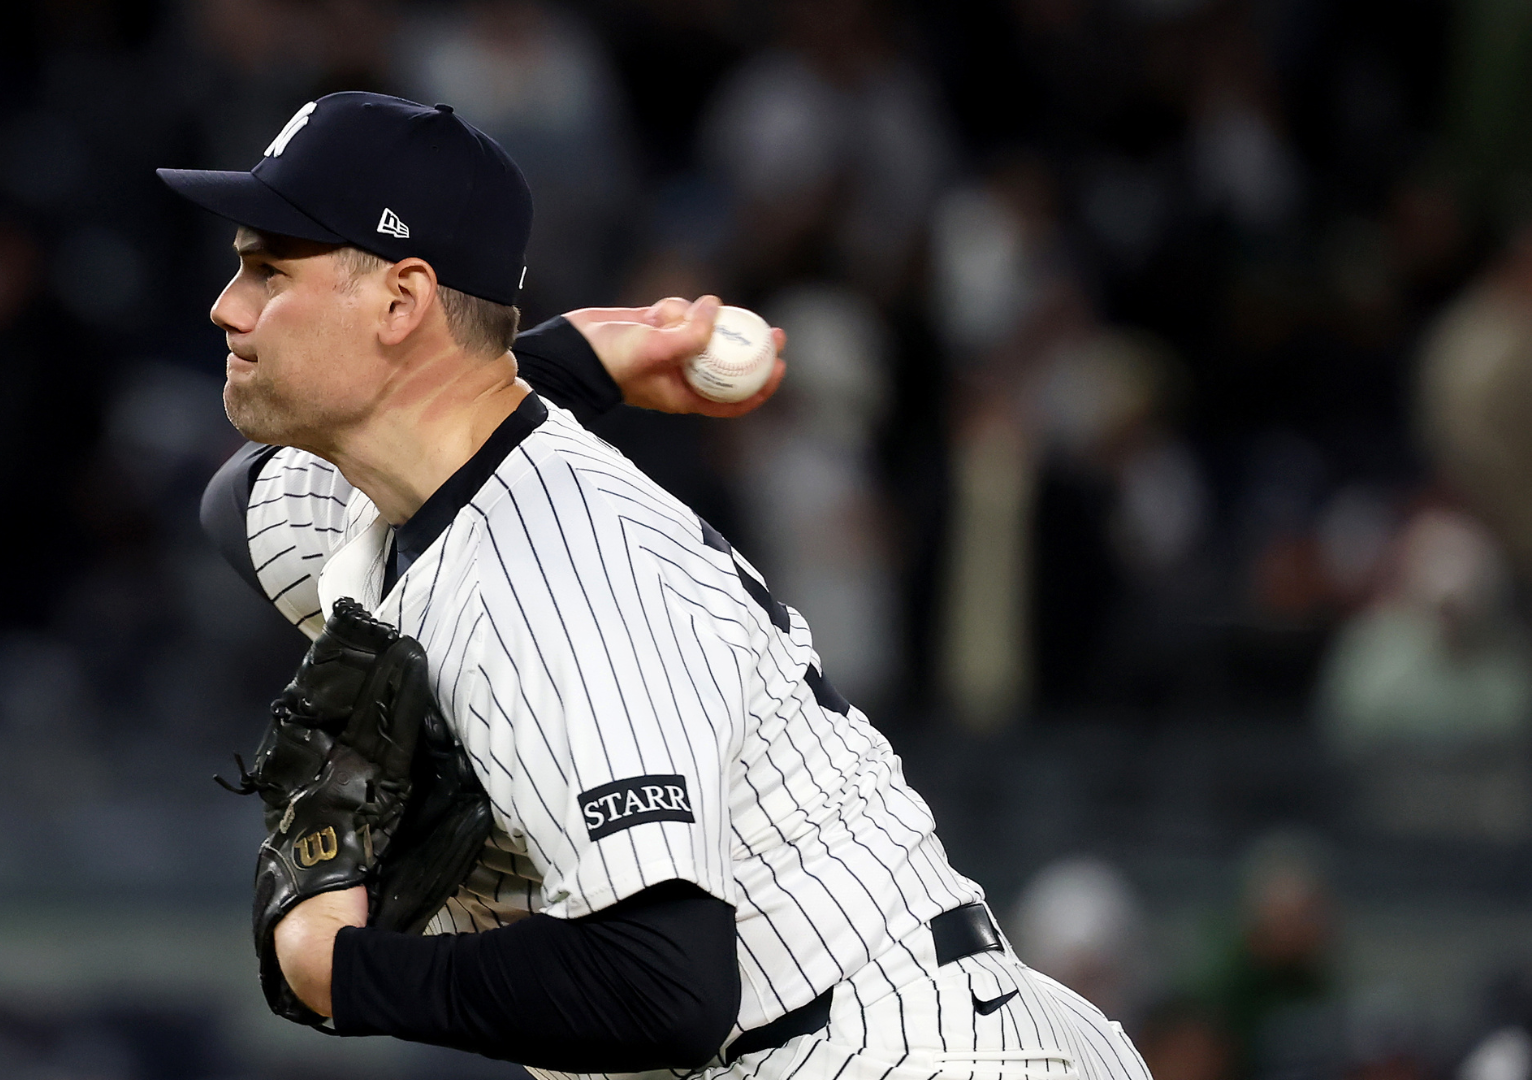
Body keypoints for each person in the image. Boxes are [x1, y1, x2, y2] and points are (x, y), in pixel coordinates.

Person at [161, 91, 1151, 1080]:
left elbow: (663, 987)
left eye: (269, 269)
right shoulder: (385, 495)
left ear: (401, 303)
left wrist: (338, 970)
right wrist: (568, 358)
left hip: (892, 1051)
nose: (228, 304)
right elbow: (234, 509)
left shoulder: (571, 570)